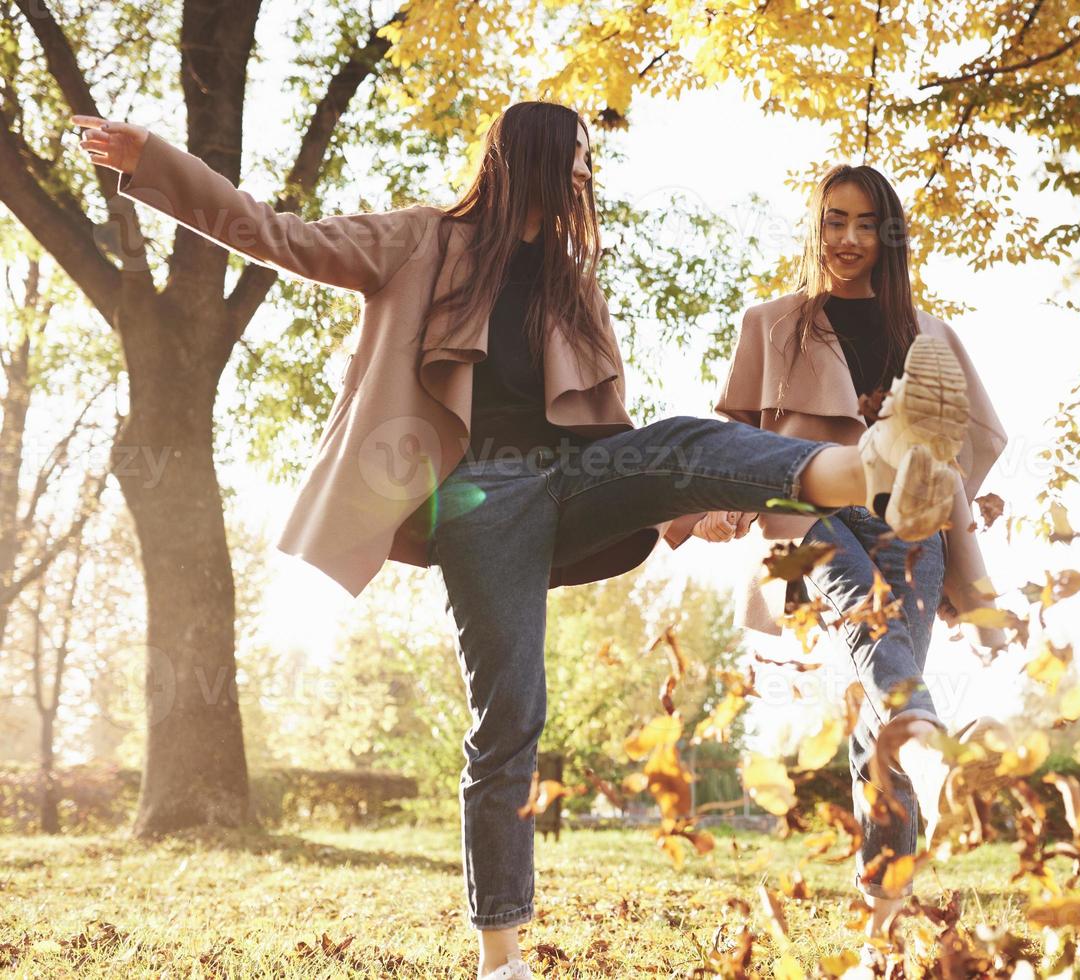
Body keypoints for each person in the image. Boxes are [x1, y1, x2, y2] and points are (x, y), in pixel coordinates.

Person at [70, 104, 975, 980]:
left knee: (686, 436)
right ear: (527, 160)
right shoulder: (419, 240)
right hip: (478, 500)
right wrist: (152, 163)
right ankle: (500, 957)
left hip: (570, 484)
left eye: (589, 159)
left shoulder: (571, 278)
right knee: (510, 717)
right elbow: (277, 234)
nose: (587, 173)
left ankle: (869, 470)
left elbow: (611, 432)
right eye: (575, 157)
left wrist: (683, 502)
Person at [665, 163, 1008, 970]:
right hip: (812, 511)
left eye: (865, 225)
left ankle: (883, 920)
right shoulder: (773, 325)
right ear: (814, 228)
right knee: (867, 631)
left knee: (870, 709)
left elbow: (977, 436)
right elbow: (731, 437)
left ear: (888, 237)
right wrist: (720, 508)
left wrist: (953, 500)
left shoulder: (928, 335)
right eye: (833, 221)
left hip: (911, 525)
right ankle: (928, 745)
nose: (848, 239)